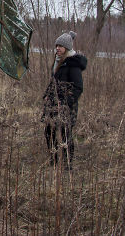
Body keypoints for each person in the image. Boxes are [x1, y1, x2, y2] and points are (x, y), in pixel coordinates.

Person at [41, 31, 87, 169]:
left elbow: (78, 88)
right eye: (57, 46)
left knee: (66, 133)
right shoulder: (58, 62)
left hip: (66, 106)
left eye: (60, 46)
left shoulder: (72, 64)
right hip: (53, 104)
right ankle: (53, 159)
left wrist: (66, 102)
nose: (58, 48)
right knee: (49, 131)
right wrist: (47, 94)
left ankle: (67, 164)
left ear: (67, 48)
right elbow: (54, 81)